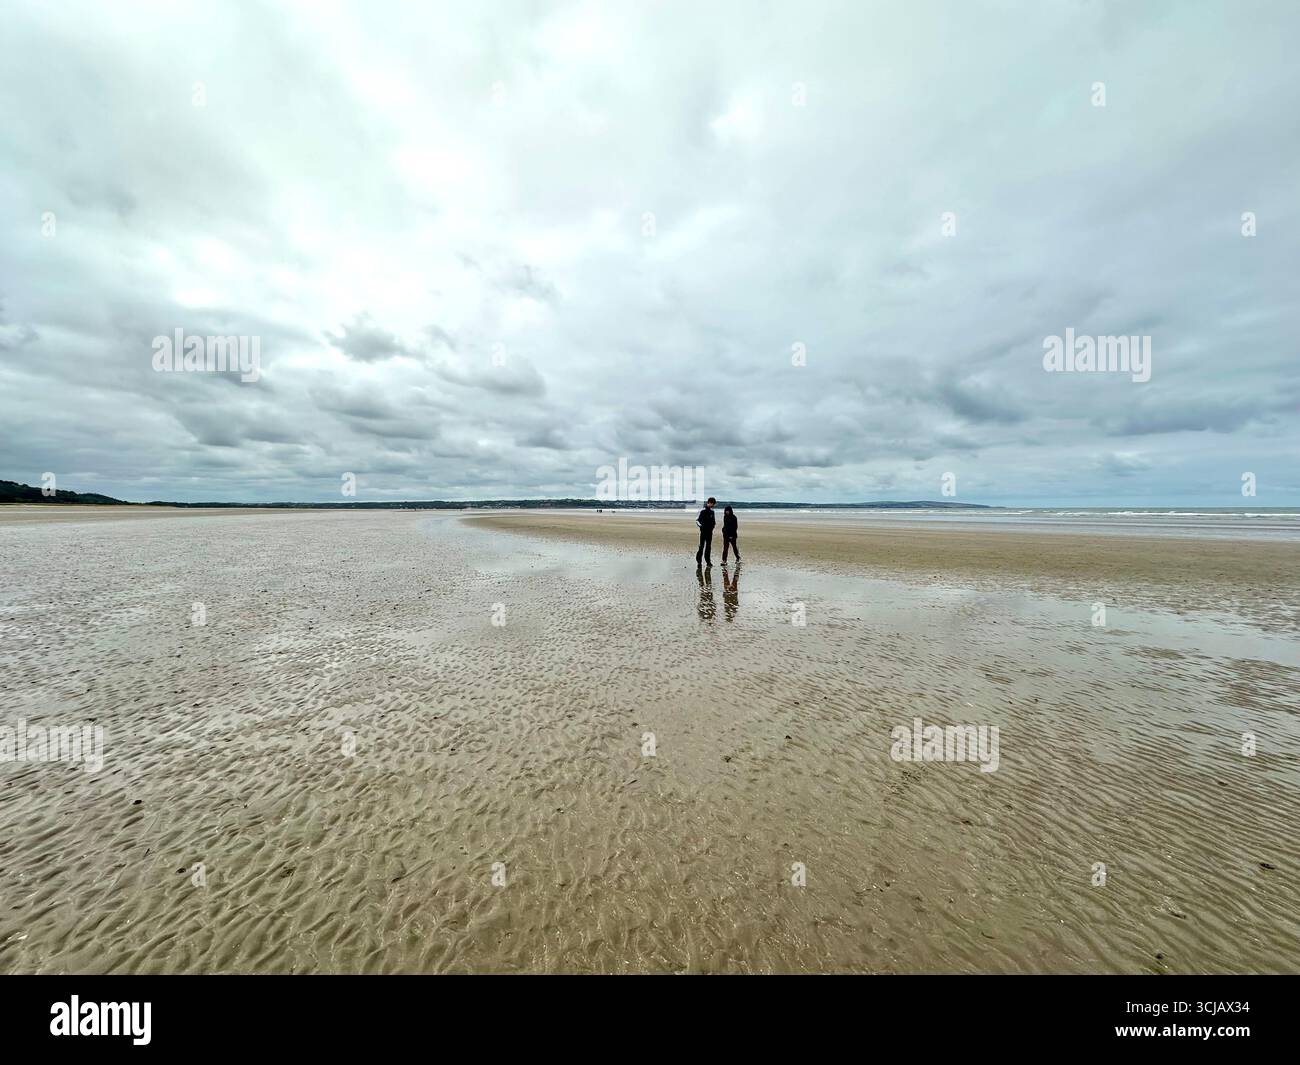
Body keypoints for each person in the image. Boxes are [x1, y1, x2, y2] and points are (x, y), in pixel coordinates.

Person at [695, 497, 717, 565]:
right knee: (701, 546)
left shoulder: (712, 512)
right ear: (709, 503)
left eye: (714, 504)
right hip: (703, 532)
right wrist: (702, 527)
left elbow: (713, 522)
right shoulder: (703, 511)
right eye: (713, 504)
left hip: (710, 532)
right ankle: (699, 561)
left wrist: (712, 527)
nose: (713, 505)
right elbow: (697, 521)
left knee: (708, 547)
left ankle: (708, 561)